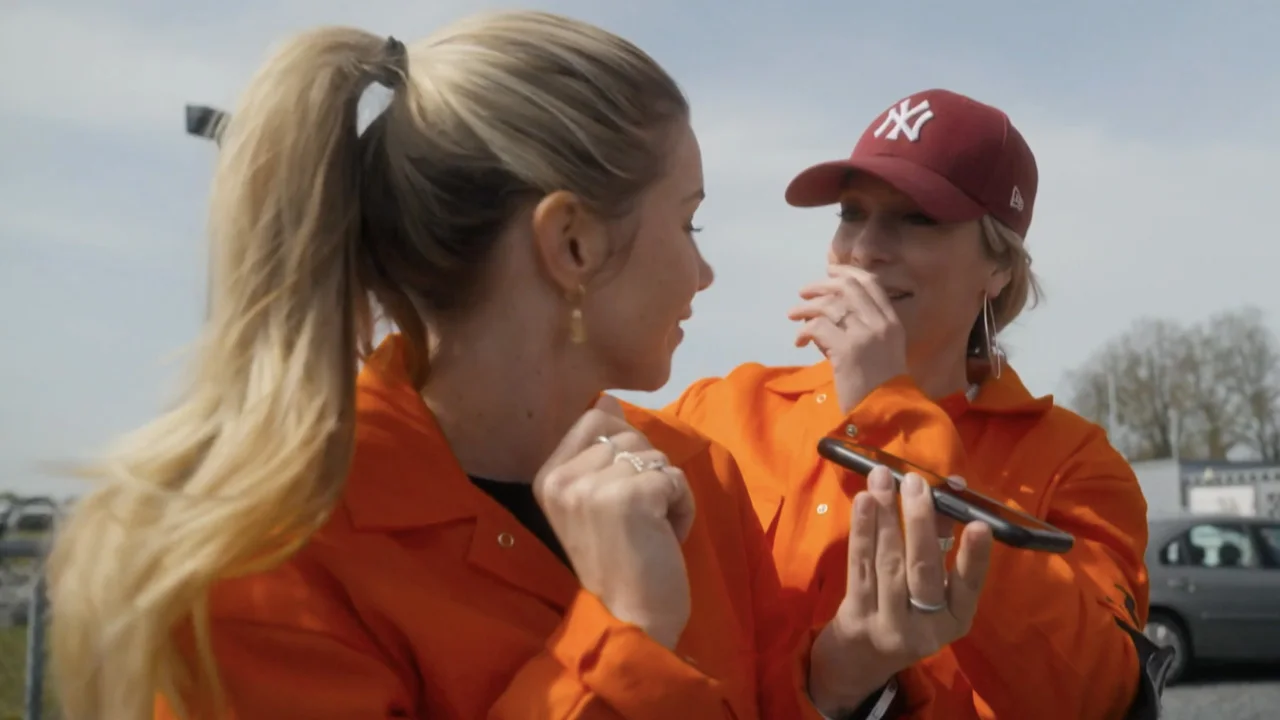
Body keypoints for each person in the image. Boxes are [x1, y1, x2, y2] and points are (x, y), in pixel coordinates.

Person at [42, 13, 987, 720]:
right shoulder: (266, 559)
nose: (705, 269)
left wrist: (843, 679)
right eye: (687, 219)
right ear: (570, 244)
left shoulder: (695, 474)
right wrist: (621, 634)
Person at [667, 88, 1156, 719]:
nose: (866, 247)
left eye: (918, 218)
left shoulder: (1074, 463)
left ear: (998, 269)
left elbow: (1095, 696)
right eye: (850, 212)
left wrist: (888, 414)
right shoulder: (723, 409)